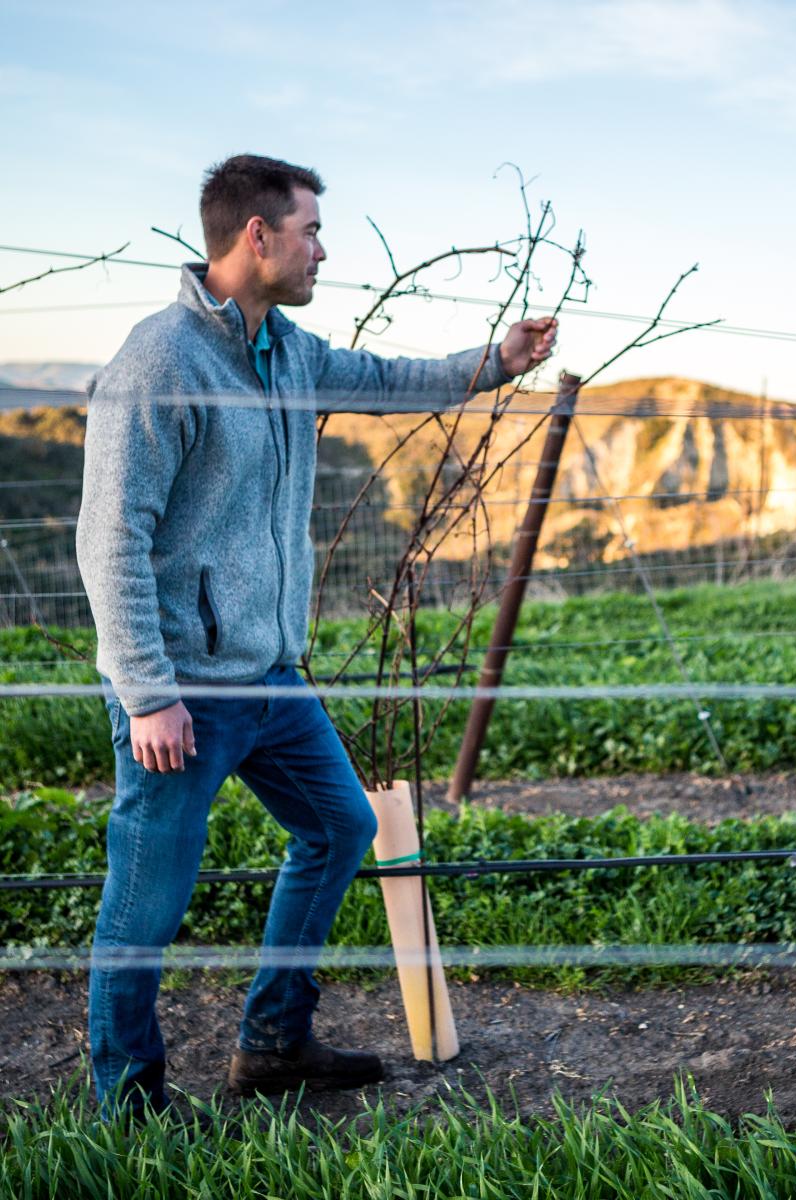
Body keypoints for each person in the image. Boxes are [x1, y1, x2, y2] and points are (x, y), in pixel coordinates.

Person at [76, 154, 557, 1114]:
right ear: (256, 236)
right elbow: (108, 536)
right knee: (146, 903)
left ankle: (273, 1044)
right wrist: (148, 691)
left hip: (272, 678)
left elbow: (387, 378)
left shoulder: (286, 351)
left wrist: (493, 363)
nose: (322, 251)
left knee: (340, 827)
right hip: (184, 691)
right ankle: (126, 1099)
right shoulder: (159, 361)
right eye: (309, 232)